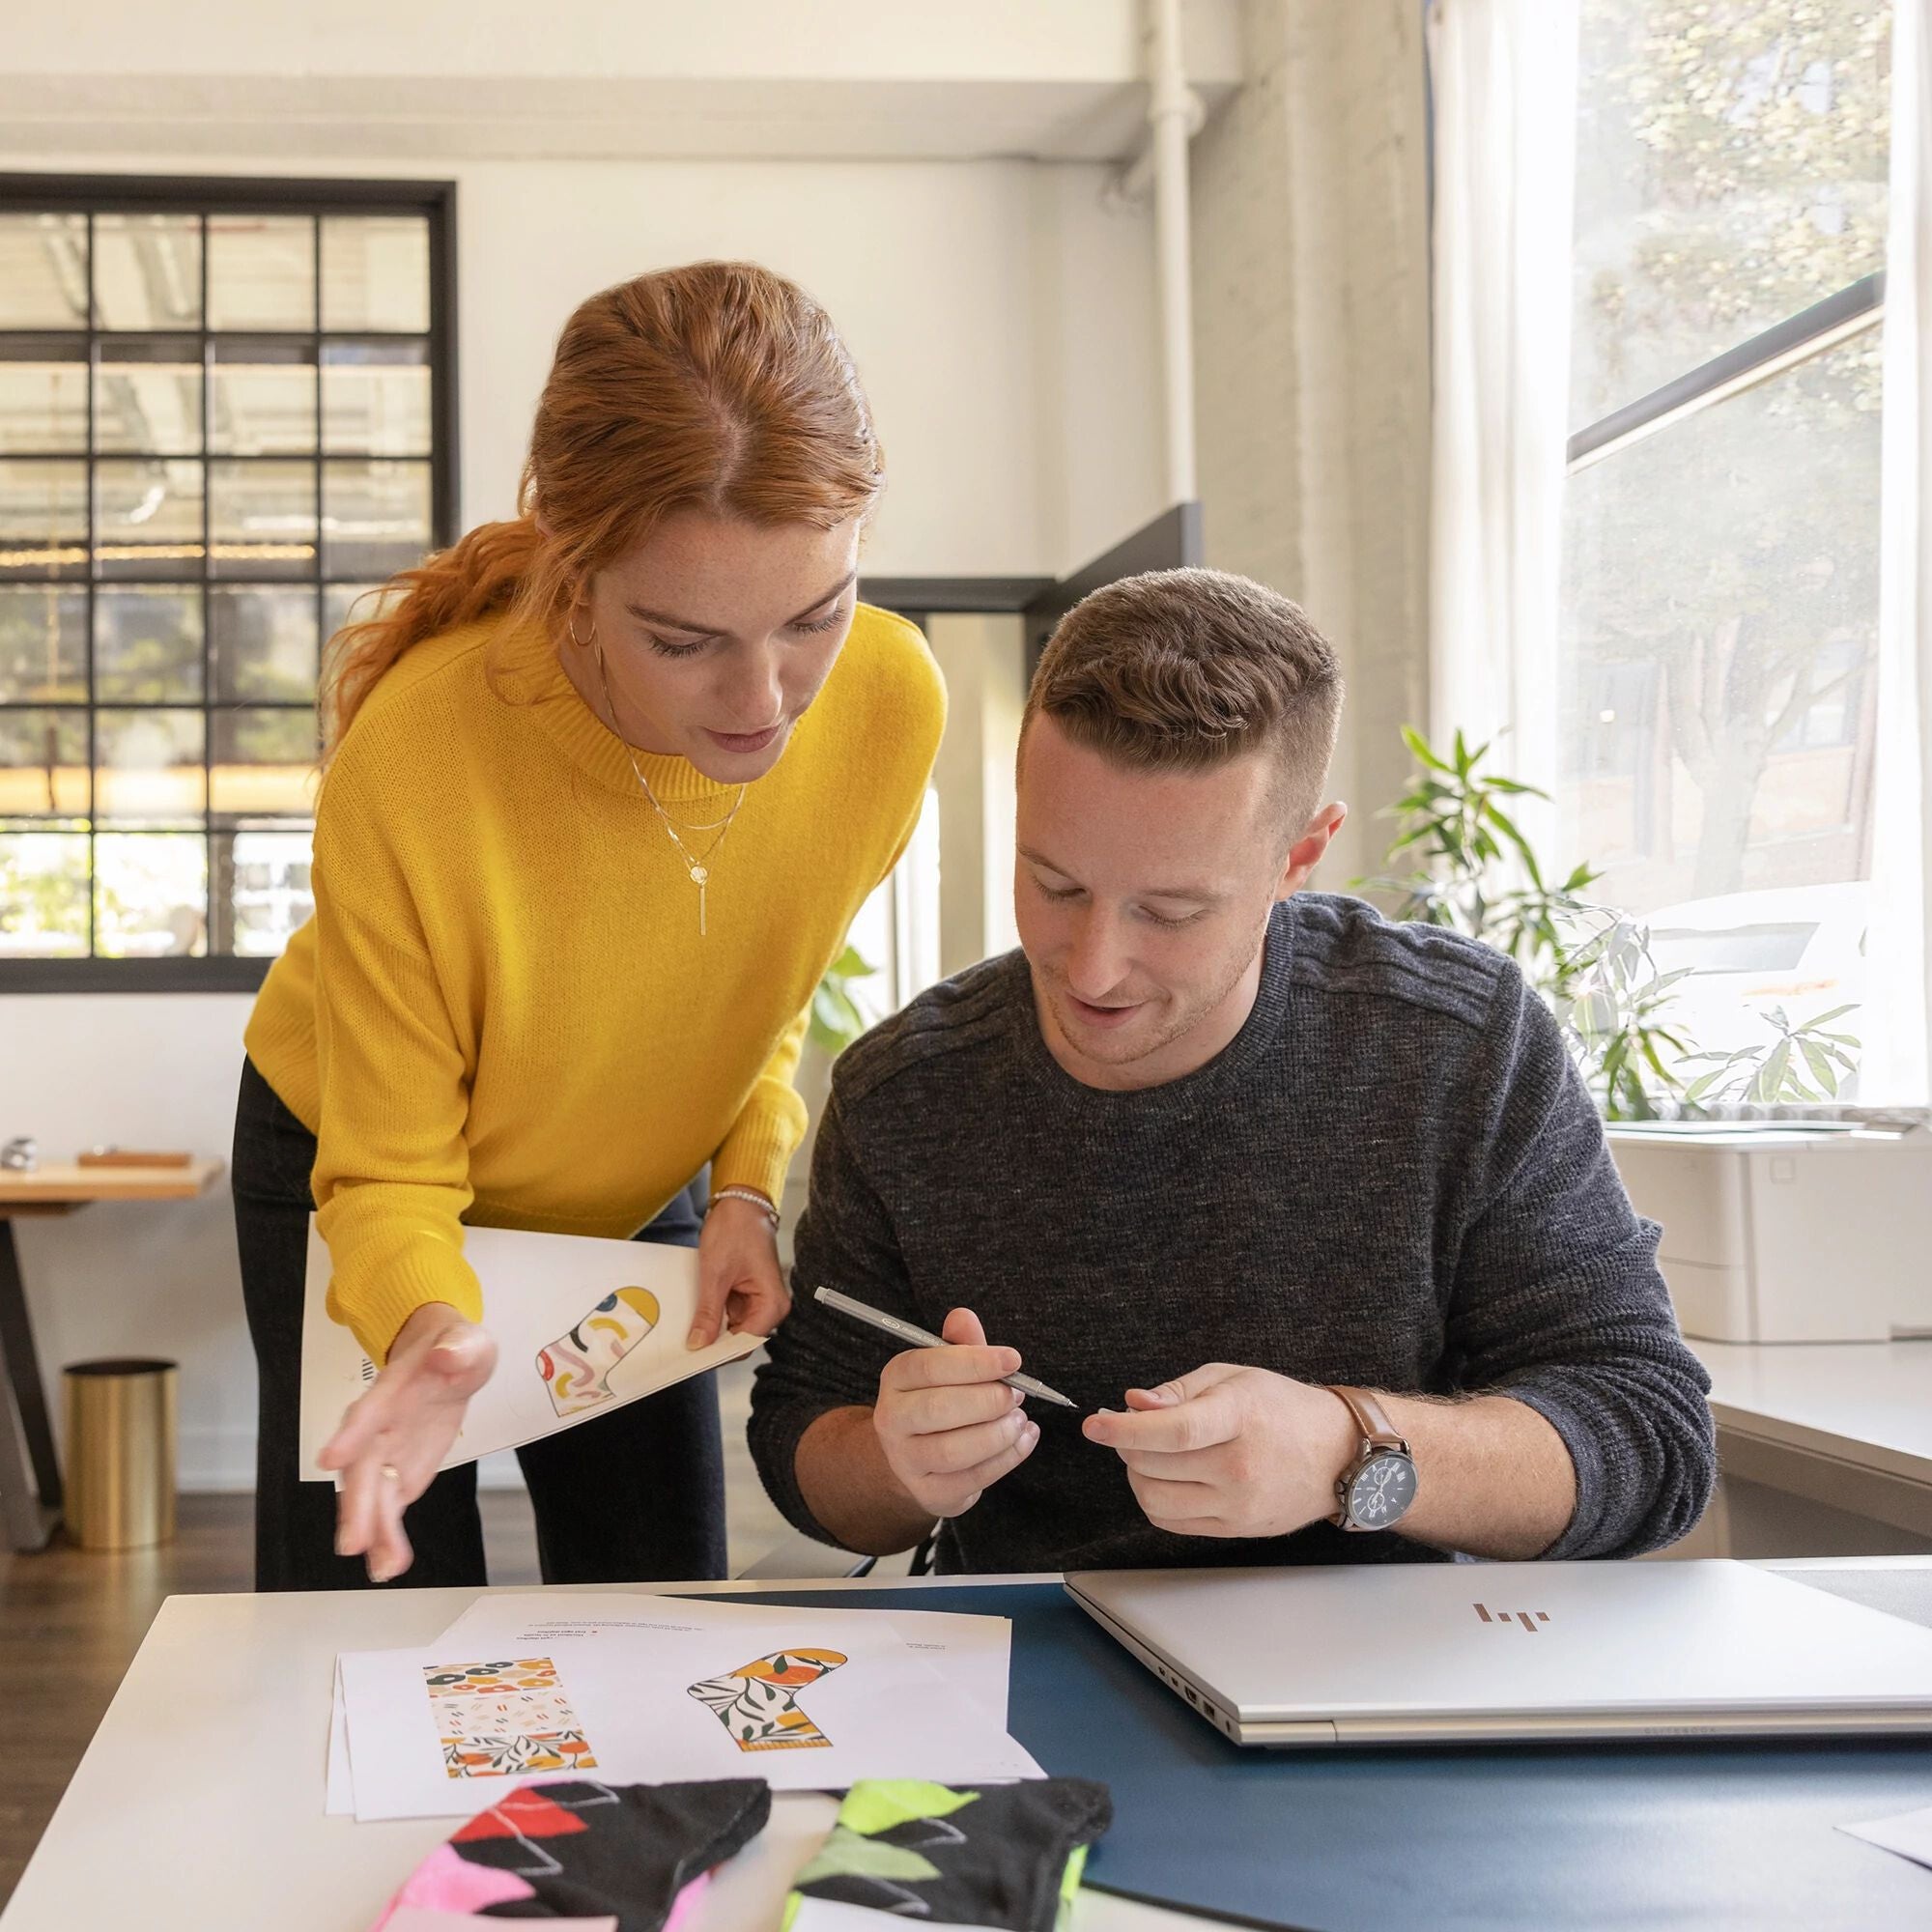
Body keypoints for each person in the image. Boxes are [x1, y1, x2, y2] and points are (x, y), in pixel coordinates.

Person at [750, 566, 1715, 1573]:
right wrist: (895, 1465)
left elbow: (1650, 1437)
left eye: (1170, 911)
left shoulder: (1454, 1043)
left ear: (1300, 855)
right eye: (1054, 883)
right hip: (1021, 1643)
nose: (1092, 967)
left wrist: (1349, 1447)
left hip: (1381, 1654)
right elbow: (802, 1439)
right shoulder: (908, 1090)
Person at [233, 261, 945, 1591]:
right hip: (368, 1158)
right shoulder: (421, 753)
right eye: (683, 641)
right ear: (576, 570)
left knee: (655, 1592)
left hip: (634, 1177)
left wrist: (745, 1183)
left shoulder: (889, 706)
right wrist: (430, 1327)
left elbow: (769, 976)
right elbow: (389, 1174)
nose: (764, 701)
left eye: (814, 616)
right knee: (375, 1613)